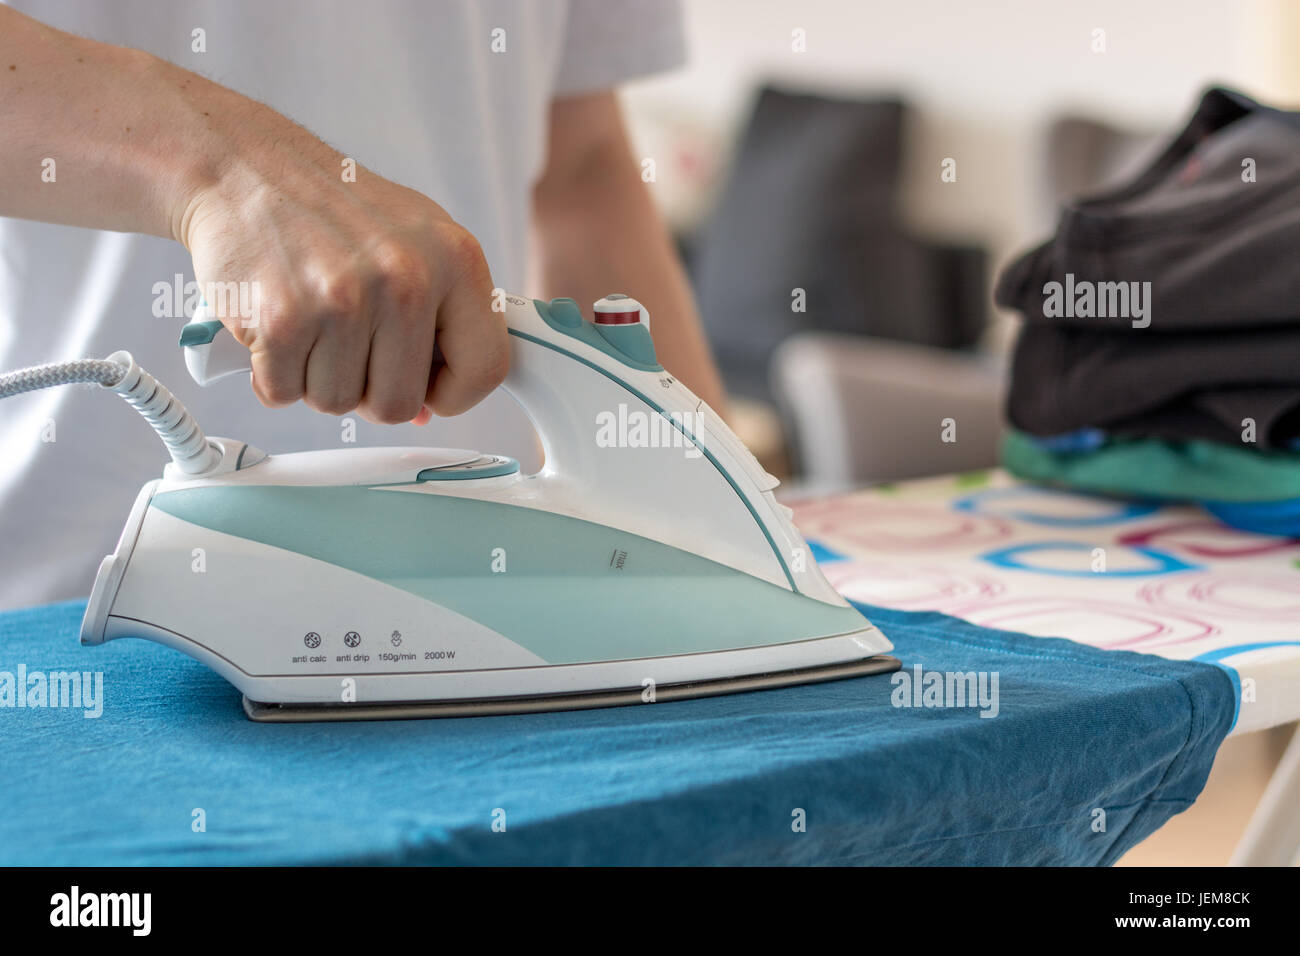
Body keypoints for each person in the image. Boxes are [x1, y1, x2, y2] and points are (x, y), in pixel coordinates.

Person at [0, 0, 726, 607]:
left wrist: (709, 522)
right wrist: (225, 169)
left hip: (492, 588)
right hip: (65, 599)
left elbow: (580, 168)